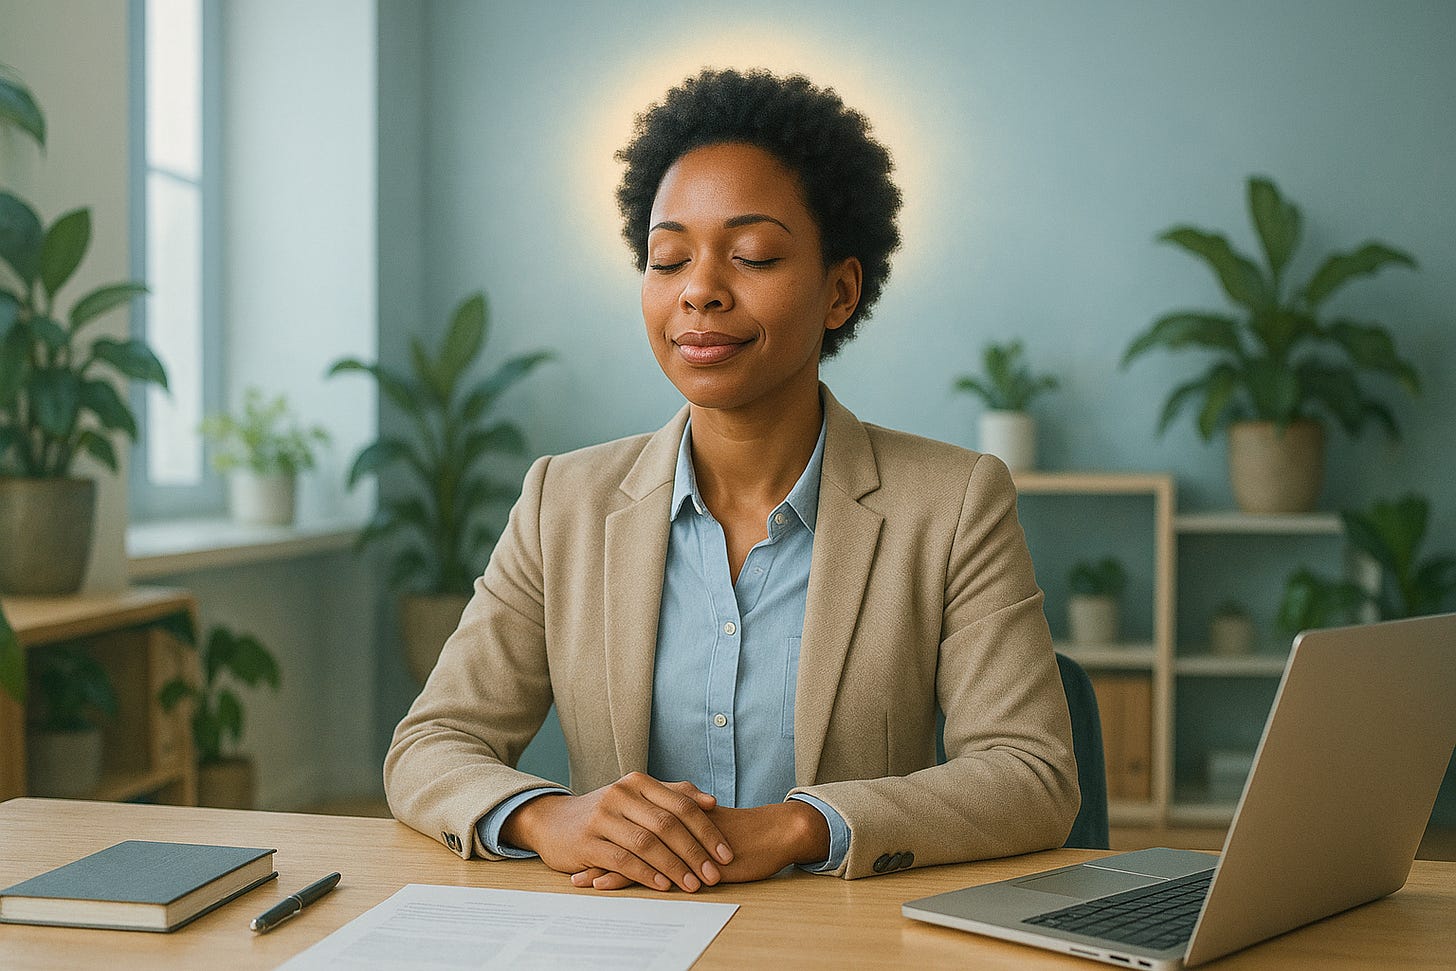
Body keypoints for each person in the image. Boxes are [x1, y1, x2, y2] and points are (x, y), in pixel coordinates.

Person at [384, 68, 1078, 891]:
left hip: (839, 944)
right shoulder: (561, 502)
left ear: (840, 291)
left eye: (752, 255)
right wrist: (547, 815)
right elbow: (430, 744)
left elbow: (1032, 772)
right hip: (625, 938)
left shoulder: (954, 502)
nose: (700, 291)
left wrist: (794, 826)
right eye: (668, 258)